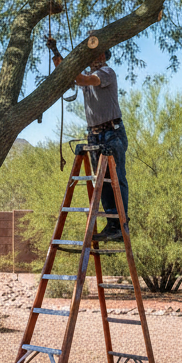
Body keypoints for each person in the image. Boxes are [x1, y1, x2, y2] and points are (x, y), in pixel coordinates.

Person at [47, 37, 128, 241]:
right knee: (103, 182)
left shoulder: (106, 73)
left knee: (116, 179)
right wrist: (56, 52)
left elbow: (81, 79)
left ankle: (120, 224)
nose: (93, 59)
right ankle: (112, 225)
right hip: (95, 135)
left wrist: (72, 68)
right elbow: (71, 75)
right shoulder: (87, 77)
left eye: (96, 55)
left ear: (104, 56)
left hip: (112, 133)